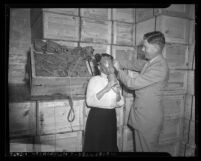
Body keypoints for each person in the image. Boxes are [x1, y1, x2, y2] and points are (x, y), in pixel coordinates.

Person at [113, 31, 169, 152]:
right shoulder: (151, 62)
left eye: (145, 47)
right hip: (142, 118)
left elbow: (132, 84)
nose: (143, 50)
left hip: (148, 120)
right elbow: (135, 64)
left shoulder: (159, 67)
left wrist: (118, 70)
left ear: (155, 48)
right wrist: (116, 61)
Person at [83, 53, 124, 152]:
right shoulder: (94, 80)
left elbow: (120, 103)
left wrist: (117, 93)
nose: (109, 66)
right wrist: (107, 88)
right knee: (96, 146)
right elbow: (89, 102)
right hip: (97, 118)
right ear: (99, 66)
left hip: (110, 117)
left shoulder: (116, 81)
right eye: (106, 64)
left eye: (111, 64)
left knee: (110, 145)